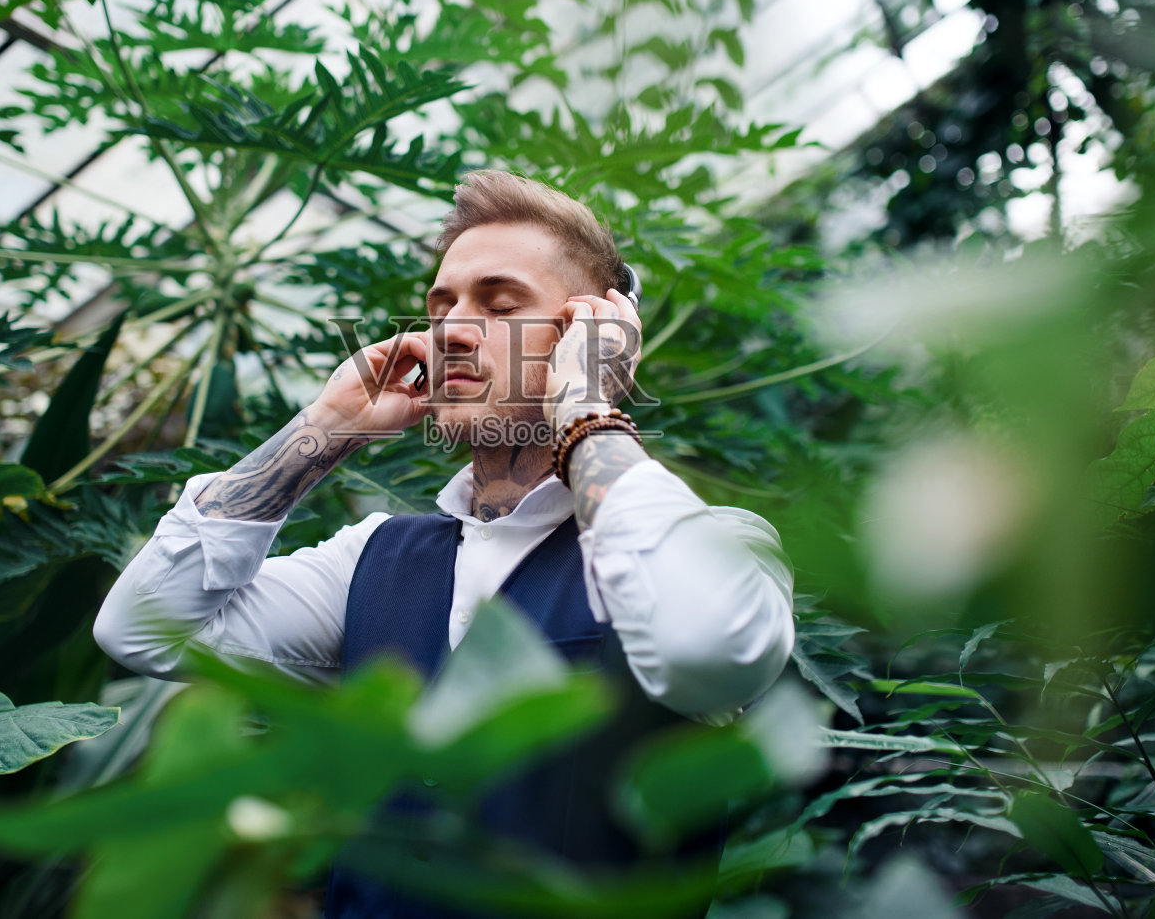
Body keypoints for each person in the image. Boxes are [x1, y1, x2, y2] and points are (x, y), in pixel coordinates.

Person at [93, 169, 796, 917]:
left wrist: (585, 403)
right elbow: (140, 626)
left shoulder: (720, 542)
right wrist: (326, 426)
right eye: (441, 304)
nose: (451, 329)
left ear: (589, 333)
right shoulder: (371, 557)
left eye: (499, 303)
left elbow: (705, 650)